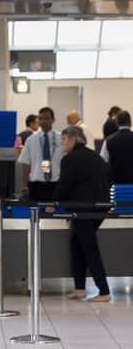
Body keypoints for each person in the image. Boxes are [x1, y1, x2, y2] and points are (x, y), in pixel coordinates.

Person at [53, 126, 111, 302]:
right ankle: (79, 288)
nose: (62, 143)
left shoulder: (69, 159)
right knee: (76, 244)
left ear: (72, 139)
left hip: (82, 209)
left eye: (64, 139)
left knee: (88, 247)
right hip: (99, 208)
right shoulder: (96, 157)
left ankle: (104, 291)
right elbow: (108, 178)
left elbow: (64, 186)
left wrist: (54, 204)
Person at [17, 107, 64, 201]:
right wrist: (24, 187)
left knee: (55, 214)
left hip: (56, 184)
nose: (43, 121)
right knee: (36, 214)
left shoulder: (61, 139)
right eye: (40, 118)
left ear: (53, 120)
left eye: (47, 118)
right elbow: (26, 163)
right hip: (36, 184)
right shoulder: (31, 140)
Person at [100, 110, 133, 184]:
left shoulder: (108, 140)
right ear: (130, 122)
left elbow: (102, 162)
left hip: (115, 182)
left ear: (117, 123)